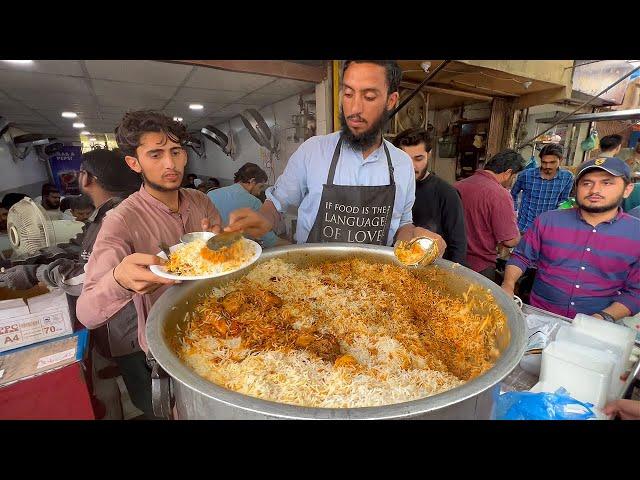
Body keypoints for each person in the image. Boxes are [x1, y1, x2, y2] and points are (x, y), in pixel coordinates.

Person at [222, 60, 445, 252]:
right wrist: (264, 218)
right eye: (348, 94)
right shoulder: (313, 151)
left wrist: (413, 240)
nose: (354, 108)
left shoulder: (402, 164)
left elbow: (403, 224)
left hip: (375, 287)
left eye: (368, 96)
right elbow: (276, 204)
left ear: (391, 101)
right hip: (311, 283)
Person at [0, 148, 153, 416]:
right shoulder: (105, 215)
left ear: (87, 178)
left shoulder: (115, 218)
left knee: (147, 396)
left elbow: (88, 278)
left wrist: (35, 273)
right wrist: (38, 257)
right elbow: (83, 250)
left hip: (128, 325)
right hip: (119, 324)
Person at [76, 110, 223, 353]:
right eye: (155, 155)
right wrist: (119, 280)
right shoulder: (120, 220)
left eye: (175, 153)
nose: (170, 164)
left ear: (184, 156)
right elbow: (87, 313)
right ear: (134, 163)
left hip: (219, 325)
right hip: (169, 342)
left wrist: (221, 245)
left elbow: (218, 258)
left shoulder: (200, 201)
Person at [502, 157, 640, 321]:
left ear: (627, 189)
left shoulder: (636, 232)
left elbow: (636, 291)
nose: (595, 190)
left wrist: (602, 318)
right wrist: (508, 285)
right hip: (539, 317)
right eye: (586, 183)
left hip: (598, 326)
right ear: (576, 188)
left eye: (607, 183)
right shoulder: (548, 220)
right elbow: (521, 257)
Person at [392, 128, 466, 264]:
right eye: (405, 160)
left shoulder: (447, 193)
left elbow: (458, 246)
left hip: (433, 269)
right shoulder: (390, 189)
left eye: (418, 159)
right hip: (394, 267)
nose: (412, 166)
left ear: (429, 155)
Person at [454, 149, 525, 281]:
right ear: (508, 173)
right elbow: (509, 241)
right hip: (480, 268)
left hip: (452, 262)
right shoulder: (500, 194)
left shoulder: (457, 186)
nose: (512, 181)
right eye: (514, 177)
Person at [208, 163, 288, 248]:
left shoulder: (211, 194)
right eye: (260, 187)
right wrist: (291, 245)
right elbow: (269, 240)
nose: (259, 192)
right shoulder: (254, 202)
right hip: (235, 254)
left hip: (209, 249)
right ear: (252, 181)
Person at [511, 143, 574, 233]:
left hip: (548, 228)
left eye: (552, 162)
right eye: (544, 162)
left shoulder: (567, 177)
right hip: (524, 227)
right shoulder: (526, 175)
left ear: (560, 160)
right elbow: (513, 194)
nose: (548, 166)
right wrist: (514, 212)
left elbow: (563, 200)